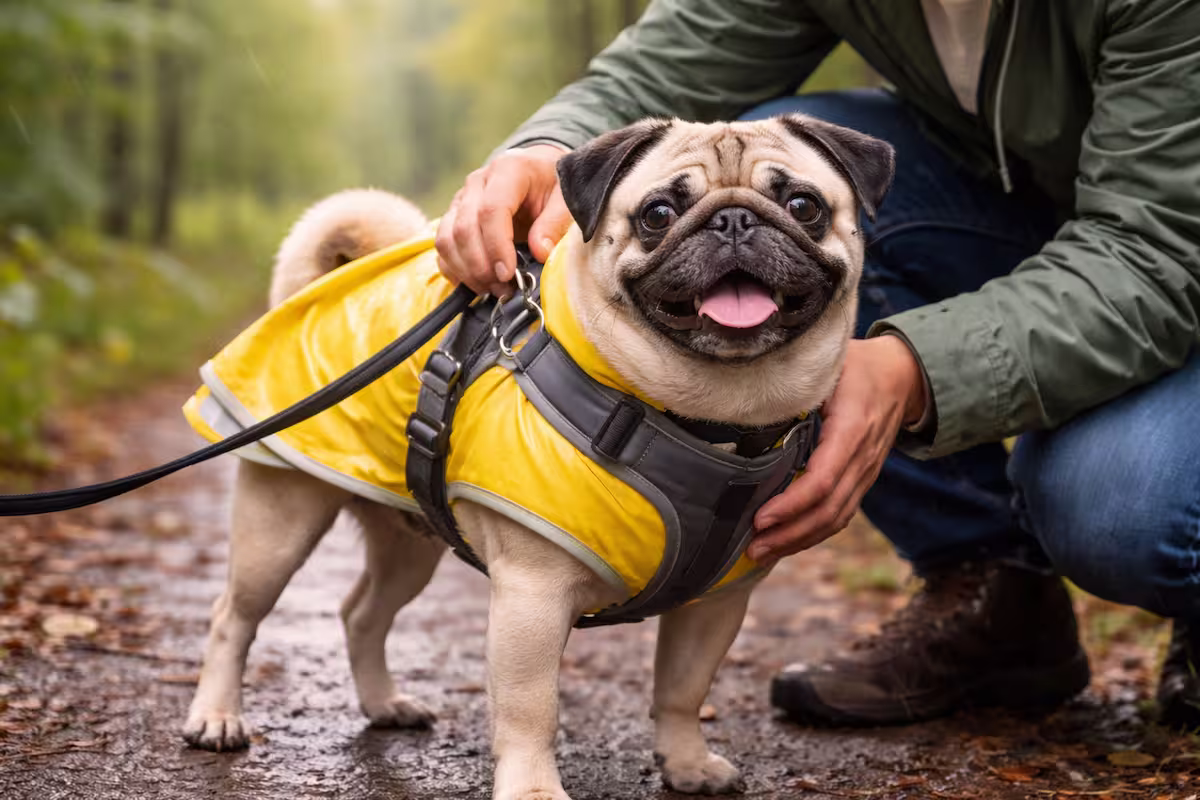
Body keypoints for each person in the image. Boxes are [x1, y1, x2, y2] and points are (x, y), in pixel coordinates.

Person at [434, 0, 1200, 728]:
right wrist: (548, 147)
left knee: (1122, 507)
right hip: (1045, 208)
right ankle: (992, 587)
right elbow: (670, 61)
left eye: (793, 216)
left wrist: (918, 368)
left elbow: (1161, 247)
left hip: (1164, 247)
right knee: (773, 150)